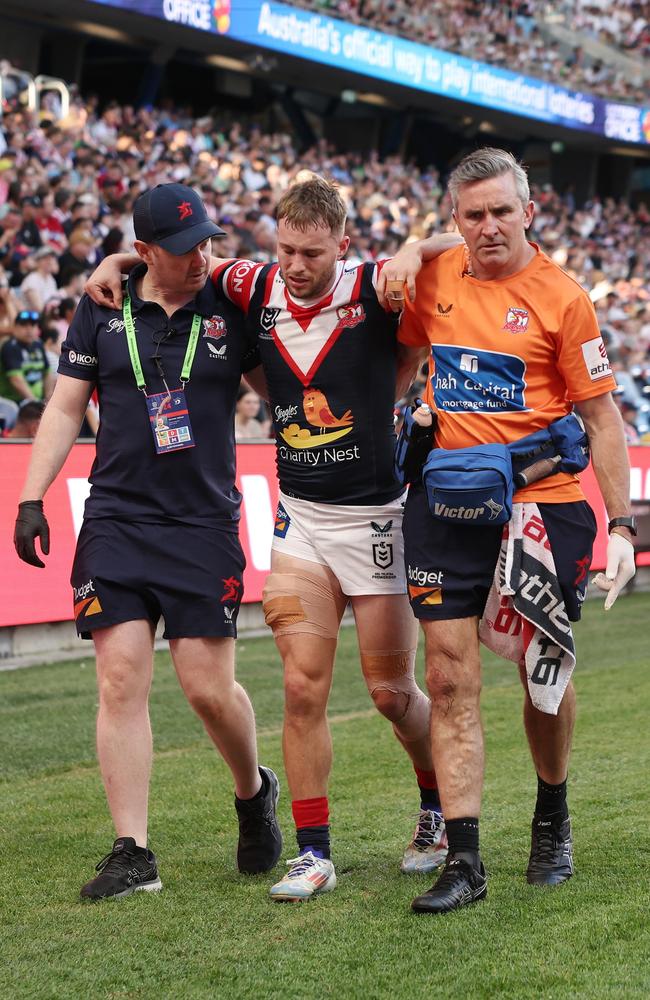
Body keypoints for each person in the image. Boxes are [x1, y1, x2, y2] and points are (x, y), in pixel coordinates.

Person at [85, 176, 461, 903]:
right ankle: (314, 851)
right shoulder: (251, 282)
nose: (294, 264)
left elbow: (459, 243)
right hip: (302, 522)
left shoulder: (376, 286)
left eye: (311, 253)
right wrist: (114, 264)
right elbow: (162, 260)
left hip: (378, 517)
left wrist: (419, 245)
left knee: (389, 692)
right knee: (298, 687)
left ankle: (436, 809)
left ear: (343, 246)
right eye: (285, 248)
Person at [382, 148, 636, 914]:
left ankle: (551, 812)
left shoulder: (565, 298)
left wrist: (621, 525)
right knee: (452, 676)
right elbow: (401, 363)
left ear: (529, 210)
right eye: (472, 215)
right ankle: (464, 859)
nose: (488, 227)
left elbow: (601, 418)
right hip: (447, 501)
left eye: (501, 211)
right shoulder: (433, 278)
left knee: (542, 680)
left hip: (544, 507)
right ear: (453, 221)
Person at [13, 182, 282, 902]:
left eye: (210, 243)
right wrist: (32, 496)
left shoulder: (229, 305)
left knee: (207, 691)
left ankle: (254, 790)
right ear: (147, 252)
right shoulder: (101, 309)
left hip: (203, 525)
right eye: (189, 248)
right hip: (118, 519)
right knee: (120, 679)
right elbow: (67, 405)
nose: (204, 258)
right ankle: (133, 850)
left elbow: (282, 392)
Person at [0, 309, 54, 404]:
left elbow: (47, 373)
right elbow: (16, 380)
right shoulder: (10, 347)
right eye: (24, 325)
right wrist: (35, 404)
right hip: (13, 402)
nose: (29, 329)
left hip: (37, 401)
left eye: (33, 325)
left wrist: (47, 400)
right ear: (15, 327)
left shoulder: (38, 344)